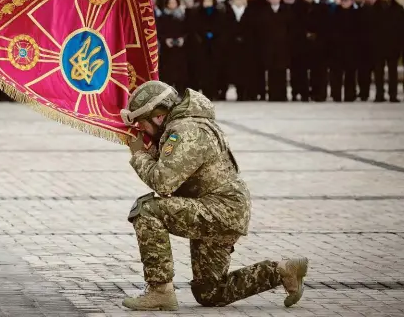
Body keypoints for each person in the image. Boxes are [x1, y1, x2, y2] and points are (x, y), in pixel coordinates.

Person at [120, 80, 308, 311]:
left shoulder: (186, 130)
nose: (140, 129)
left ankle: (159, 291)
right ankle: (282, 271)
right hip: (223, 208)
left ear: (158, 117)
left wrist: (139, 155)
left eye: (141, 122)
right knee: (210, 292)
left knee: (146, 210)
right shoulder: (188, 123)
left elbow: (163, 182)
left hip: (220, 209)